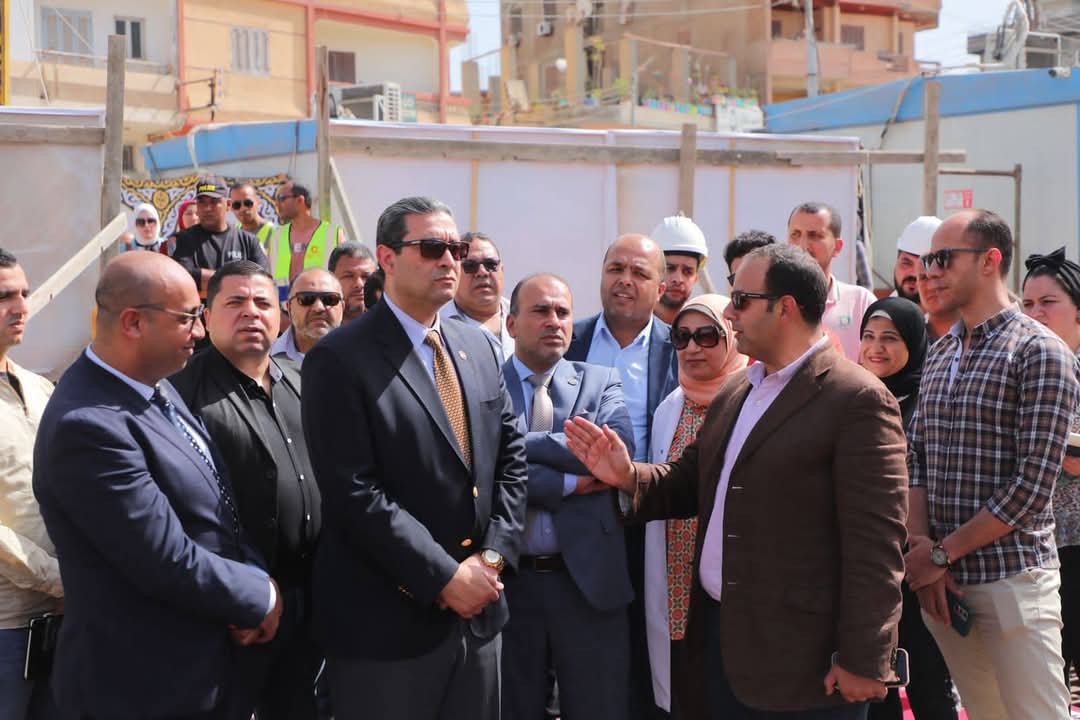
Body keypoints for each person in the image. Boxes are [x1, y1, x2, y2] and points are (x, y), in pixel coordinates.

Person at [564, 242, 908, 718]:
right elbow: (691, 480)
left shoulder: (856, 399)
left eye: (742, 301)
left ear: (785, 308)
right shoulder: (739, 389)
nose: (729, 313)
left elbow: (877, 545)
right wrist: (626, 474)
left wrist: (865, 658)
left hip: (805, 665)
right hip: (724, 647)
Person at [300, 196, 527, 720]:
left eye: (456, 249)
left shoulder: (478, 345)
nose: (450, 260)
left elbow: (511, 460)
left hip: (479, 618)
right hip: (387, 627)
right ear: (387, 257)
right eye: (431, 248)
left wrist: (491, 560)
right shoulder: (339, 358)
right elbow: (354, 491)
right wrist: (444, 577)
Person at [32, 251, 283, 719]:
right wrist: (260, 596)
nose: (200, 331)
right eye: (187, 318)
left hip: (205, 669)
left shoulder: (155, 384)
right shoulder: (87, 425)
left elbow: (218, 506)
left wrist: (252, 573)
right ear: (133, 323)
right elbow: (164, 557)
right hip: (142, 686)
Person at [905, 211, 1080, 720]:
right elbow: (917, 458)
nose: (930, 271)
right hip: (945, 589)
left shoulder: (1039, 351)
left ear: (989, 261)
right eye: (926, 260)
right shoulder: (942, 351)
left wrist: (940, 555)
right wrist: (921, 549)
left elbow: (1031, 486)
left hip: (1012, 581)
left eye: (943, 258)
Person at [170, 260, 321, 720]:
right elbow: (182, 514)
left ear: (280, 315)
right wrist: (238, 595)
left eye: (262, 303)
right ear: (206, 316)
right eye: (235, 302)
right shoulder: (180, 394)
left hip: (311, 600)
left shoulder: (302, 382)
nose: (251, 312)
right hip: (234, 611)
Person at [499, 272, 635, 720]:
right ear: (511, 323)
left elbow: (614, 451)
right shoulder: (483, 385)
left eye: (563, 312)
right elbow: (480, 466)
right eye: (541, 310)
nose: (554, 321)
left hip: (588, 585)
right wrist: (568, 483)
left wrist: (511, 445)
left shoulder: (602, 381)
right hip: (508, 584)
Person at [564, 232, 678, 719]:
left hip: (655, 520)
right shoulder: (569, 340)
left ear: (661, 288)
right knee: (590, 663)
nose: (625, 281)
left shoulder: (681, 346)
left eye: (639, 273)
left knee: (649, 654)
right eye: (616, 269)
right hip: (580, 521)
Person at [644, 293, 747, 717]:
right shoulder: (669, 407)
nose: (692, 347)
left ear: (732, 338)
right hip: (675, 578)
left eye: (707, 335)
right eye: (681, 337)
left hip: (734, 582)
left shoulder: (752, 399)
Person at [859, 298, 958, 720]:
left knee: (930, 685)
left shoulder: (930, 400)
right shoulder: (851, 397)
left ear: (914, 343)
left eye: (890, 338)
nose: (875, 348)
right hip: (867, 567)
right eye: (868, 336)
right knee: (876, 692)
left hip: (917, 564)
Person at [0, 250, 64, 719]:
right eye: (5, 296)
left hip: (58, 617)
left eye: (24, 293)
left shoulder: (41, 388)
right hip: (6, 621)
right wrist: (58, 579)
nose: (21, 306)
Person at [1021, 247, 1080, 686]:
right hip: (1036, 551)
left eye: (1048, 302)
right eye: (1027, 303)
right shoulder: (1018, 367)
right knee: (1044, 684)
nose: (1036, 313)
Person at [787, 202, 876, 361]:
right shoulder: (772, 303)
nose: (803, 245)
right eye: (796, 234)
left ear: (837, 247)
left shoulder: (860, 302)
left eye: (814, 235)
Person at [172, 175, 271, 299]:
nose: (207, 208)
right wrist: (240, 282)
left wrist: (204, 280)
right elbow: (184, 280)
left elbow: (261, 282)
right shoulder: (182, 240)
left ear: (228, 204)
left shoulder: (249, 241)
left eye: (214, 202)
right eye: (202, 202)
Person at [441, 232, 514, 360]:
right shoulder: (437, 327)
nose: (482, 272)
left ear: (502, 270)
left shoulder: (524, 317)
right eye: (470, 266)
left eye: (490, 264)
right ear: (455, 272)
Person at [270, 181, 344, 300]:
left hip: (322, 304)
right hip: (285, 305)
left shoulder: (333, 233)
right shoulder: (277, 235)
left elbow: (344, 271)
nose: (277, 204)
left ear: (300, 200)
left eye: (282, 198)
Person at [271, 268, 343, 364]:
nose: (318, 308)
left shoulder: (361, 356)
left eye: (329, 299)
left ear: (342, 307)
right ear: (289, 308)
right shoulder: (262, 359)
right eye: (307, 299)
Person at [652, 215, 709, 325]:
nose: (678, 280)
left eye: (687, 272)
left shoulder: (705, 329)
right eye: (669, 269)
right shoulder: (628, 326)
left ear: (696, 278)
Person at [893, 217, 942, 306]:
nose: (914, 273)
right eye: (906, 263)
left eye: (924, 265)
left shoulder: (957, 313)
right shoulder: (881, 311)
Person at [329, 242, 377, 322]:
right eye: (349, 276)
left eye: (365, 277)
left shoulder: (395, 323)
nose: (359, 284)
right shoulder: (318, 326)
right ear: (331, 280)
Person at [230, 183, 277, 251]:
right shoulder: (232, 234)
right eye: (236, 205)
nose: (243, 208)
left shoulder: (274, 233)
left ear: (258, 202)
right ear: (231, 207)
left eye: (248, 203)